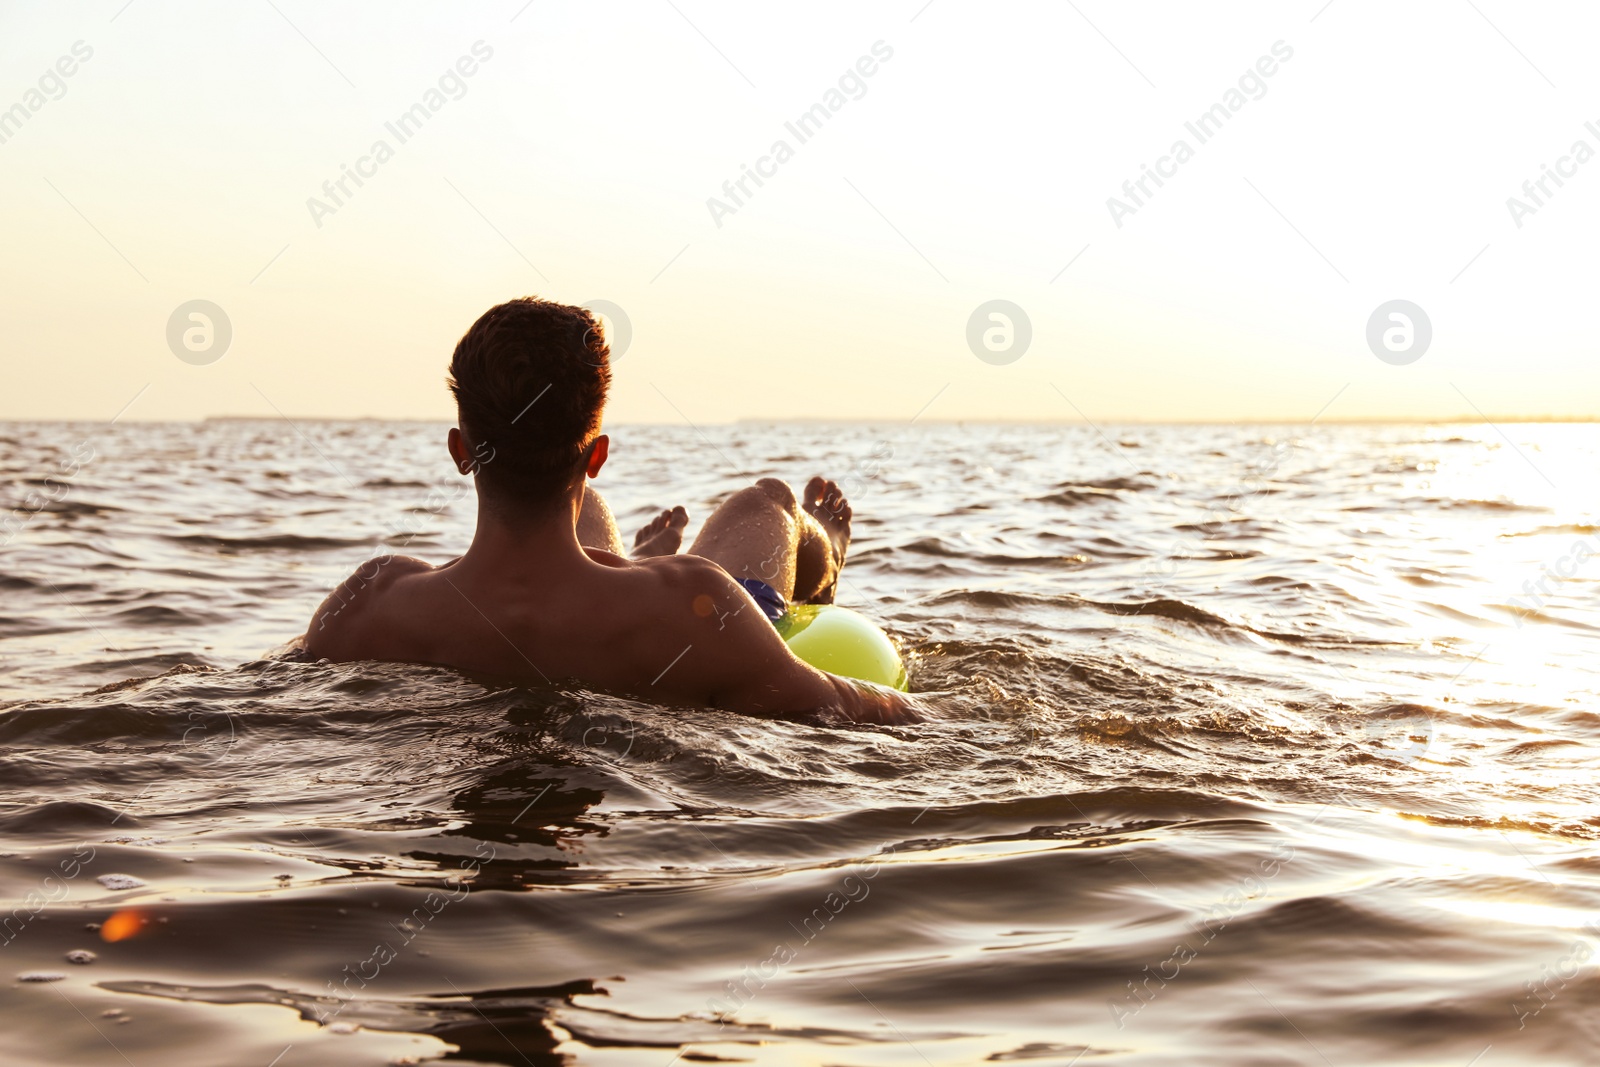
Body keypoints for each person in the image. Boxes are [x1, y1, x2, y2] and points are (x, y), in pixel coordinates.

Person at [300, 297, 917, 724]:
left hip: (487, 605)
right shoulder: (698, 603)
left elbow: (275, 679)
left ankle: (618, 559)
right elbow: (838, 704)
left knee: (587, 512)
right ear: (596, 454)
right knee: (770, 500)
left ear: (461, 452)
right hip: (670, 629)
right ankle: (826, 557)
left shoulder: (373, 602)